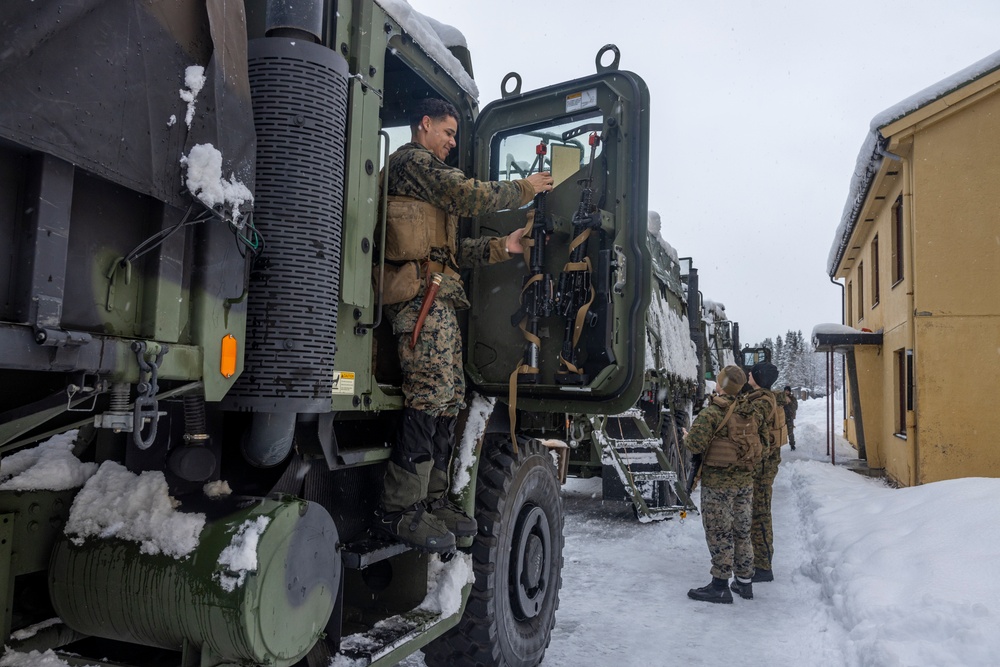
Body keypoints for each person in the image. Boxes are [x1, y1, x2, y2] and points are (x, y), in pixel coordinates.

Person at [375, 98, 554, 552]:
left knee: (449, 397)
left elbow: (453, 256)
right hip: (417, 297)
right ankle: (400, 507)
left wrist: (503, 247)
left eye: (456, 135)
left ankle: (432, 501)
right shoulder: (413, 163)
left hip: (439, 295)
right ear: (424, 124)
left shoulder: (428, 183)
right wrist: (525, 189)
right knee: (430, 393)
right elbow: (468, 193)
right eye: (447, 132)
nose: (452, 142)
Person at [683, 365, 767, 603]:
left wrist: (688, 437)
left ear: (722, 384)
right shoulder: (751, 411)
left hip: (718, 485)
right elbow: (764, 445)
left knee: (719, 533)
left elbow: (695, 446)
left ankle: (720, 585)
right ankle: (744, 583)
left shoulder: (713, 413)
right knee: (742, 532)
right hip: (745, 483)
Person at [746, 361, 783, 583]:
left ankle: (763, 566)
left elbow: (750, 427)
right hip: (763, 465)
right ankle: (760, 562)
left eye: (752, 372)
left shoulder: (761, 403)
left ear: (759, 378)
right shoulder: (765, 398)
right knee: (757, 513)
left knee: (759, 514)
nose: (748, 374)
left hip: (762, 467)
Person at [783, 385, 798, 450]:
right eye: (785, 390)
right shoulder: (782, 397)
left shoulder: (793, 398)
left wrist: (790, 402)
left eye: (787, 391)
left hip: (789, 417)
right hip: (782, 417)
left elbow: (795, 407)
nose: (786, 392)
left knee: (790, 432)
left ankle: (792, 445)